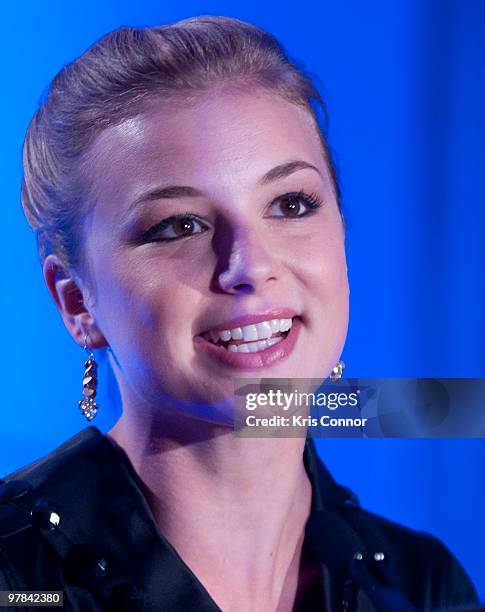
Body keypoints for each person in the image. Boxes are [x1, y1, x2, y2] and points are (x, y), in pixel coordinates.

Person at [0, 15, 480, 612]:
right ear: (76, 302)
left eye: (290, 203)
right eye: (179, 226)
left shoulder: (423, 584)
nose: (249, 265)